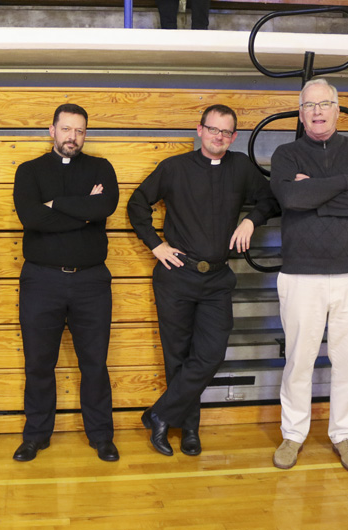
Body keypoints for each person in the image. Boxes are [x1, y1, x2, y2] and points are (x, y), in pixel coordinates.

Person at [128, 104, 279, 456]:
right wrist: (156, 245)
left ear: (234, 137)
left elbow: (272, 200)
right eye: (213, 129)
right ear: (200, 130)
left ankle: (160, 414)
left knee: (210, 355)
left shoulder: (241, 167)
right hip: (176, 276)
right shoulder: (174, 167)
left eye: (226, 132)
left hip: (217, 279)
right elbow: (137, 204)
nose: (218, 137)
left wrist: (251, 220)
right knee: (177, 356)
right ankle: (189, 430)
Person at [269, 79, 348, 474]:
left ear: (338, 109)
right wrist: (344, 183)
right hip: (301, 276)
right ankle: (293, 434)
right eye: (309, 105)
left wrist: (314, 195)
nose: (317, 111)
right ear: (300, 114)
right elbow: (291, 198)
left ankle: (344, 435)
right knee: (298, 362)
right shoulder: (286, 154)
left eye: (324, 104)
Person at [12, 103, 120, 463]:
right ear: (52, 131)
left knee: (95, 363)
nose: (72, 136)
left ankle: (101, 436)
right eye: (66, 129)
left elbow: (104, 207)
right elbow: (32, 218)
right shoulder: (29, 171)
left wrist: (55, 204)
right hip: (41, 281)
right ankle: (36, 435)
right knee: (38, 363)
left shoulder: (101, 168)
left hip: (91, 282)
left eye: (79, 130)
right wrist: (83, 211)